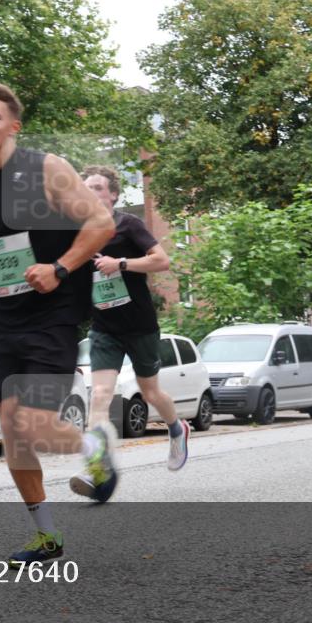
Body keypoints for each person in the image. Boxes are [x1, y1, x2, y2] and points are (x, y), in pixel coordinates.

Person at [0, 81, 118, 565]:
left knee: (35, 424)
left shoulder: (45, 169)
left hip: (53, 315)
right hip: (1, 317)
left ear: (13, 126)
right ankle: (46, 537)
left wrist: (59, 268)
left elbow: (101, 224)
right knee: (11, 430)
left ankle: (92, 446)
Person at [69, 165, 190, 501]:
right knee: (100, 397)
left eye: (95, 187)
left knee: (151, 393)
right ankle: (96, 468)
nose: (89, 192)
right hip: (104, 328)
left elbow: (161, 261)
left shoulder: (129, 225)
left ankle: (177, 428)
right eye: (84, 187)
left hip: (139, 326)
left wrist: (119, 263)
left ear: (112, 194)